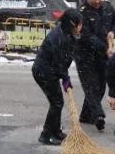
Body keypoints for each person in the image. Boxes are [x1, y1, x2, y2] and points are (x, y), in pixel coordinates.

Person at [31, 8, 83, 145]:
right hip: (44, 72)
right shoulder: (58, 37)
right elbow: (60, 61)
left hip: (51, 71)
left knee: (57, 102)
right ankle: (46, 135)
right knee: (57, 102)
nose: (80, 27)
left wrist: (65, 77)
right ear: (71, 23)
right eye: (78, 24)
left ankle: (56, 131)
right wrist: (66, 79)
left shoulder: (66, 33)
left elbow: (65, 59)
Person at [75, 0, 115, 130]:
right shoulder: (81, 13)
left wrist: (113, 32)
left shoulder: (108, 7)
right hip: (84, 55)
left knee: (101, 86)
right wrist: (105, 49)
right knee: (91, 86)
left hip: (102, 55)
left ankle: (85, 115)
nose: (97, 1)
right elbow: (88, 37)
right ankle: (98, 115)